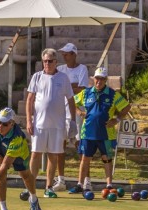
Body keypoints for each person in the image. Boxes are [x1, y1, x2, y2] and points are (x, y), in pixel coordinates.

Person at [26, 48, 77, 198]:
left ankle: (48, 187)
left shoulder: (63, 78)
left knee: (53, 155)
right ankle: (30, 186)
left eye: (50, 61)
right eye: (45, 61)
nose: (47, 64)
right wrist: (29, 120)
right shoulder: (37, 77)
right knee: (35, 154)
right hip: (39, 124)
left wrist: (72, 121)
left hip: (58, 125)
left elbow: (71, 99)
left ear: (56, 62)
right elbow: (30, 99)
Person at [74, 67, 131, 191]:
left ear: (106, 80)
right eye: (97, 78)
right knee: (85, 158)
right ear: (93, 79)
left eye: (102, 79)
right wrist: (79, 112)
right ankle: (79, 184)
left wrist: (116, 120)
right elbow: (73, 101)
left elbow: (126, 107)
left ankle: (109, 185)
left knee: (107, 158)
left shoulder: (113, 94)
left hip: (106, 133)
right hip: (87, 132)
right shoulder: (86, 92)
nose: (99, 81)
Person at [0, 107, 42, 210]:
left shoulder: (17, 138)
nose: (0, 126)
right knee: (1, 177)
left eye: (4, 124)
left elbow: (5, 166)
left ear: (12, 123)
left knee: (25, 175)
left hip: (19, 153)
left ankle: (33, 199)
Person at [53, 42, 89, 192]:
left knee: (80, 148)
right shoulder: (59, 69)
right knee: (60, 147)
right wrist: (71, 86)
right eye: (63, 54)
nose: (64, 56)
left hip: (77, 113)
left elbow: (81, 90)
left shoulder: (82, 69)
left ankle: (86, 181)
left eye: (67, 54)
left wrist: (67, 87)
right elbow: (58, 87)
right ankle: (61, 180)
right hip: (61, 113)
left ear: (74, 54)